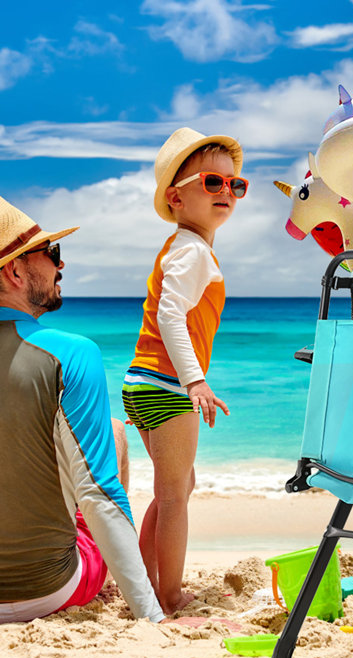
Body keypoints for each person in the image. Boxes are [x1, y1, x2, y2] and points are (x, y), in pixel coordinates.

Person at [0, 197, 164, 624]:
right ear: (13, 271)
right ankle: (116, 587)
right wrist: (152, 616)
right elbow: (98, 495)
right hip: (48, 589)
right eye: (50, 253)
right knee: (113, 432)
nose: (61, 266)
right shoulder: (71, 353)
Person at [122, 127, 247, 614]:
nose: (227, 193)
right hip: (164, 382)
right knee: (174, 495)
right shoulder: (191, 250)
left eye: (235, 185)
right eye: (212, 183)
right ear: (176, 197)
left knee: (177, 488)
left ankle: (144, 579)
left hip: (145, 380)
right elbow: (171, 316)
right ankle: (168, 596)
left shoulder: (184, 246)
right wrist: (194, 379)